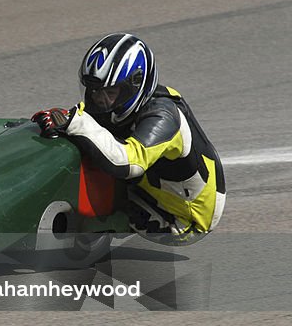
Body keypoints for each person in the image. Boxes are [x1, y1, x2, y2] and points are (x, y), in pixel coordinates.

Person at [31, 33, 225, 243]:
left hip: (183, 218)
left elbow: (128, 162)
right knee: (83, 140)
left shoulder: (164, 116)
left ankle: (81, 237)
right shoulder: (128, 105)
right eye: (94, 92)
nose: (99, 101)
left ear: (135, 85)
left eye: (110, 92)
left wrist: (78, 123)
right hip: (152, 189)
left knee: (95, 163)